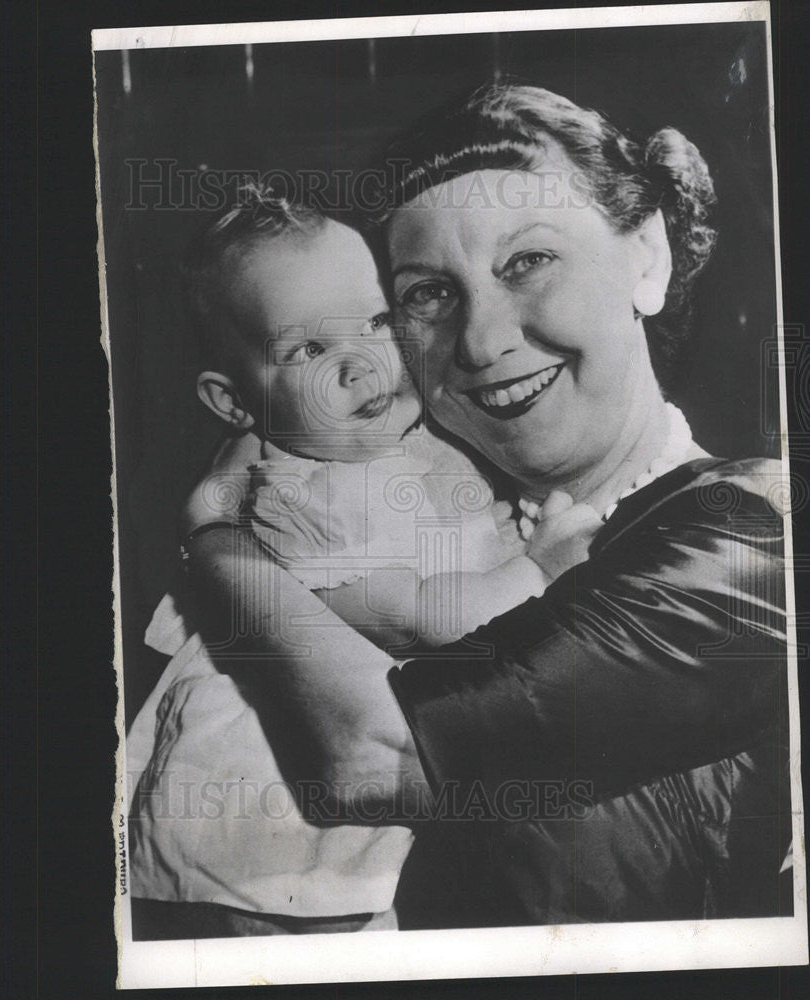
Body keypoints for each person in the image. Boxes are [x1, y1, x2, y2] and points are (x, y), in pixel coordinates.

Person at [178, 84, 792, 927]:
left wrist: (217, 548)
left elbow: (371, 760)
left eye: (528, 262)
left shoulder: (753, 528)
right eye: (429, 294)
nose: (479, 340)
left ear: (646, 256)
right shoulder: (441, 508)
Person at [128, 186, 600, 939]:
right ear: (235, 401)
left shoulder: (415, 442)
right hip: (241, 850)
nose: (361, 364)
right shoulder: (295, 495)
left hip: (343, 860)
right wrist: (537, 570)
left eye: (378, 322)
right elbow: (407, 620)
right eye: (309, 349)